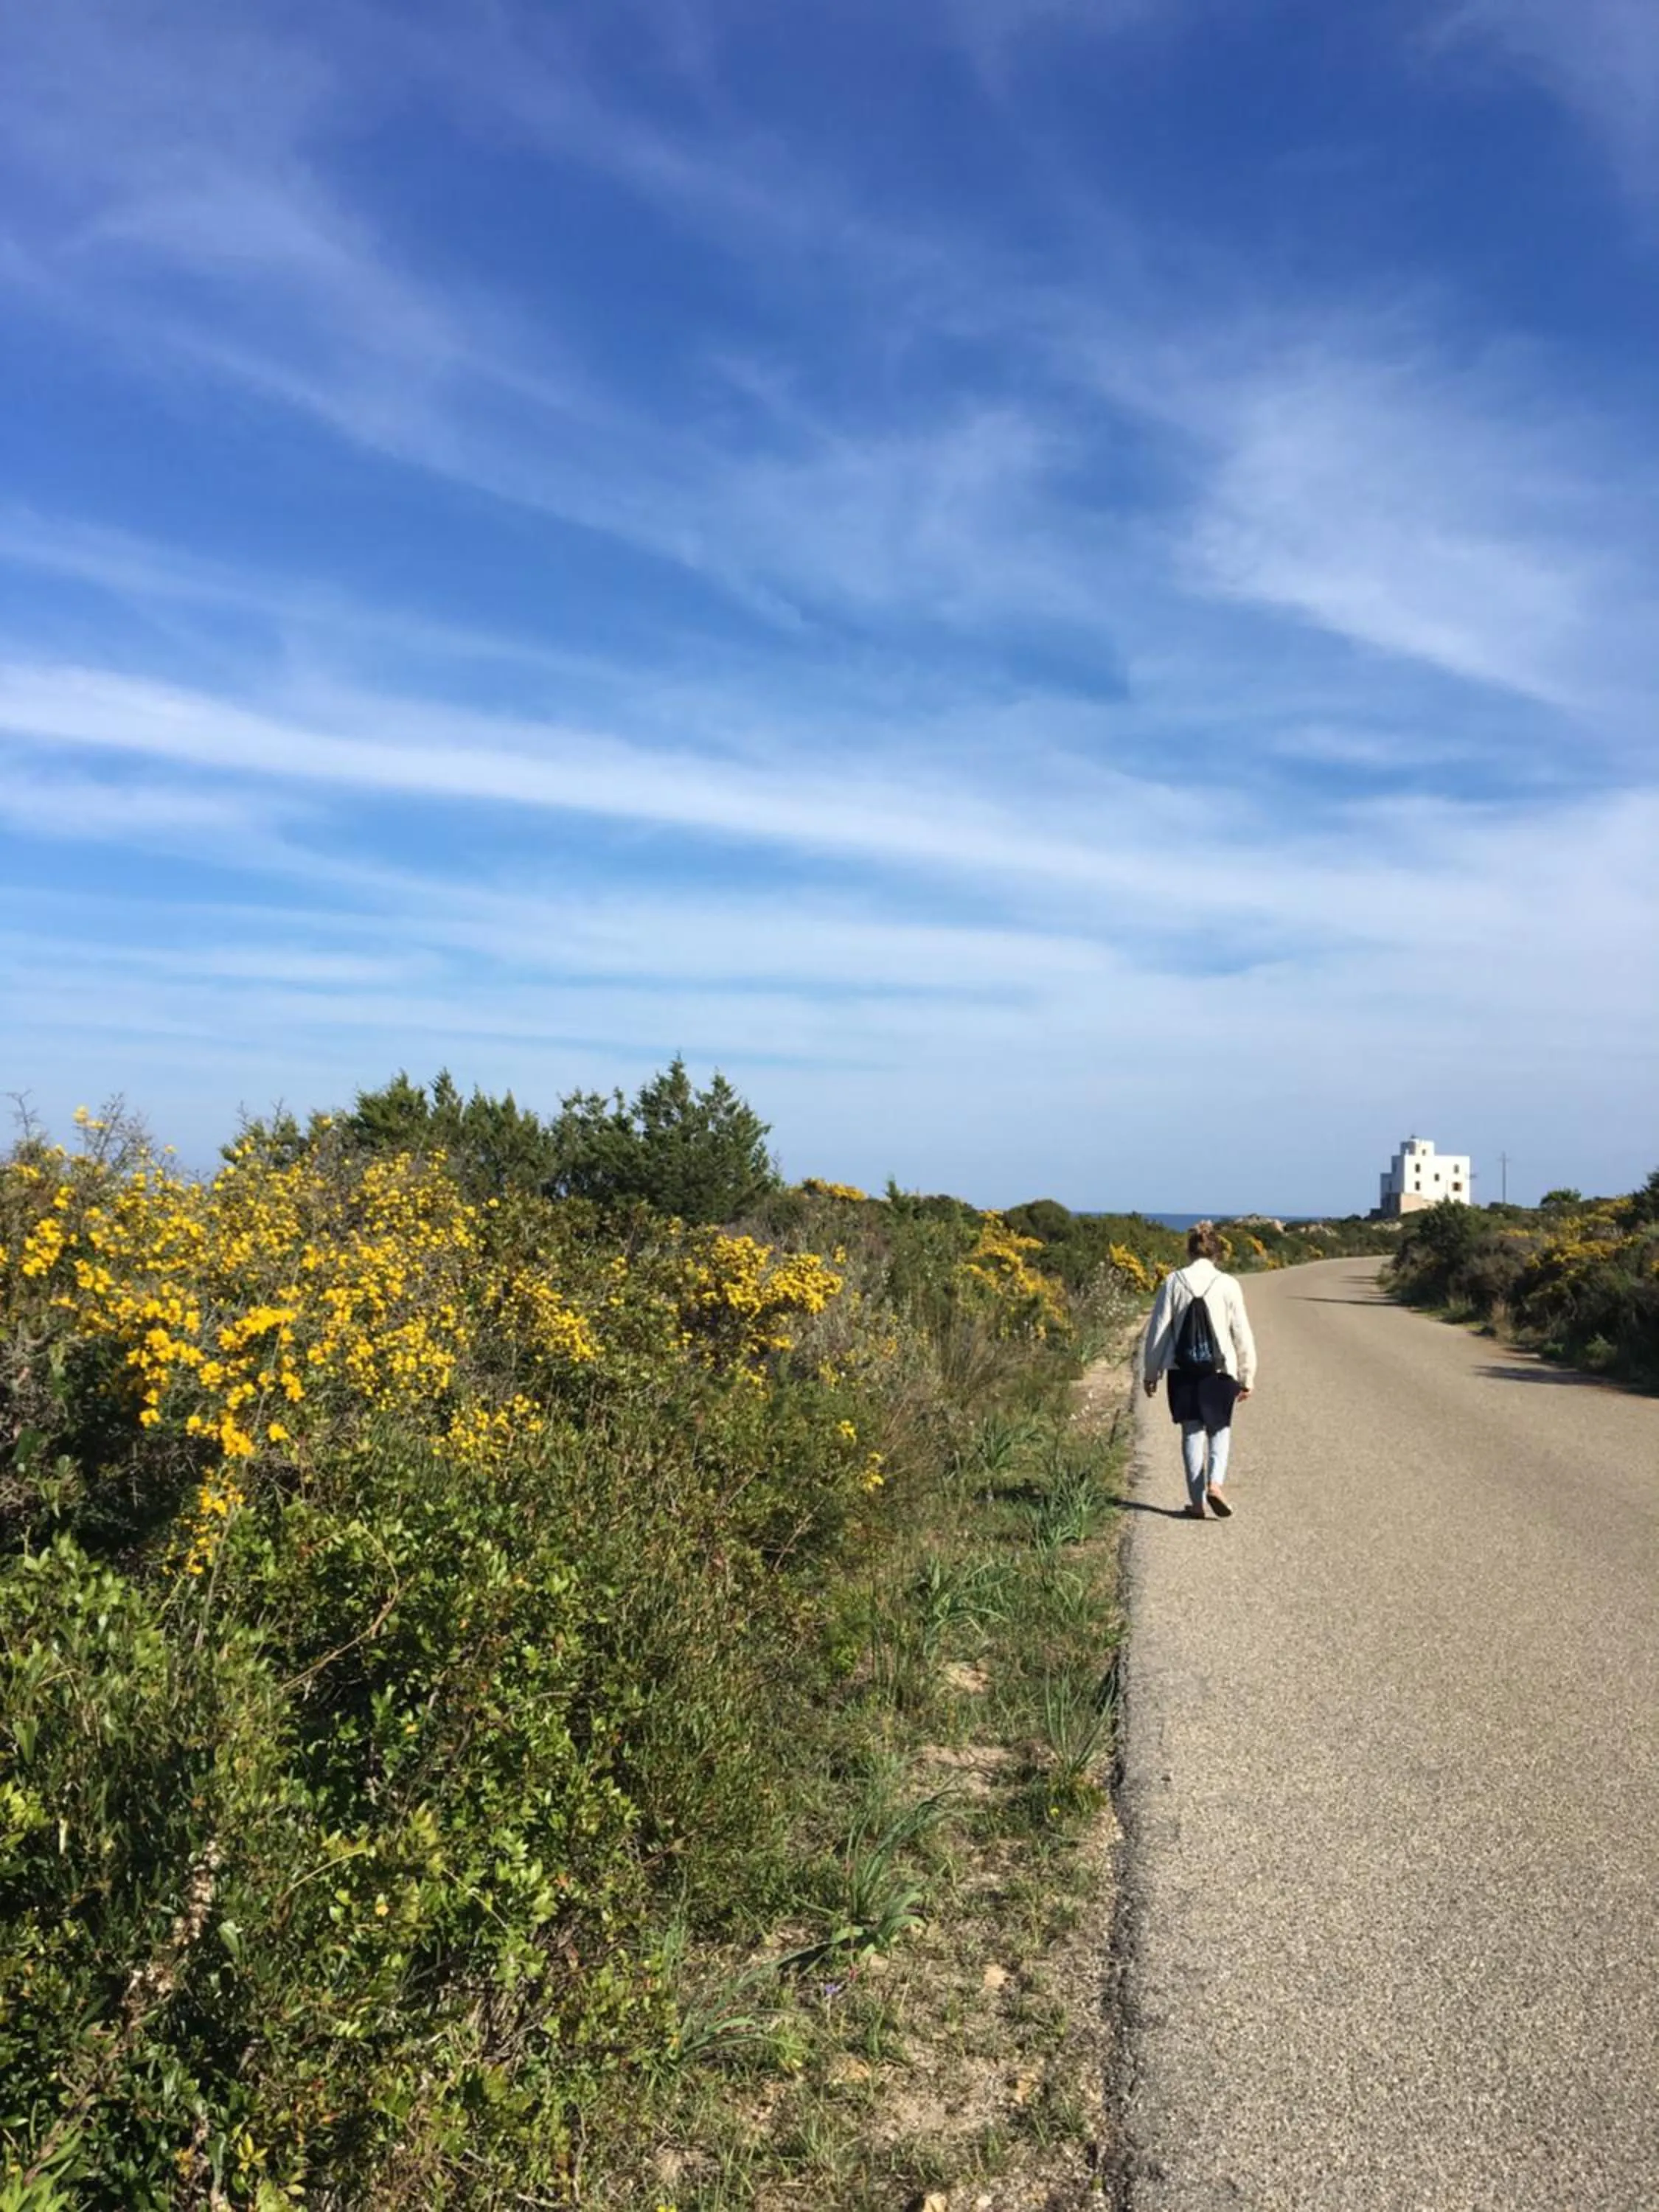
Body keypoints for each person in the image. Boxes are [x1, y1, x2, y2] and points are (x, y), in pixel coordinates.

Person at [1141, 1222, 1257, 1519]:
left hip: (1183, 1370)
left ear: (1189, 1251)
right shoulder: (1229, 1284)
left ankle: (1196, 1502)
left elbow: (1159, 1332)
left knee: (1192, 1432)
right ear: (1217, 1253)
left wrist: (1151, 1372)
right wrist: (1247, 1375)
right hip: (1220, 1370)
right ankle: (1215, 1484)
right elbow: (1242, 1333)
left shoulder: (1173, 1282)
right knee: (1220, 1428)